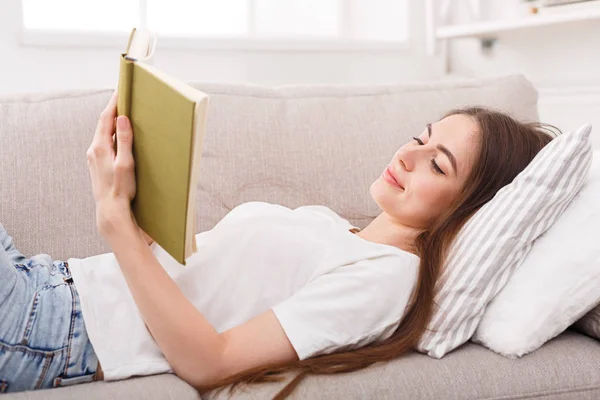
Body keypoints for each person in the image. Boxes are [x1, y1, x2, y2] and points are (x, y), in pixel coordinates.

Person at [0, 91, 554, 397]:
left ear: (472, 208)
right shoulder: (338, 228)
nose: (407, 156)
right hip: (46, 280)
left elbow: (209, 362)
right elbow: (188, 280)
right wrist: (142, 211)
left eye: (437, 163)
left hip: (52, 329)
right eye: (421, 137)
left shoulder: (386, 279)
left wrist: (114, 220)